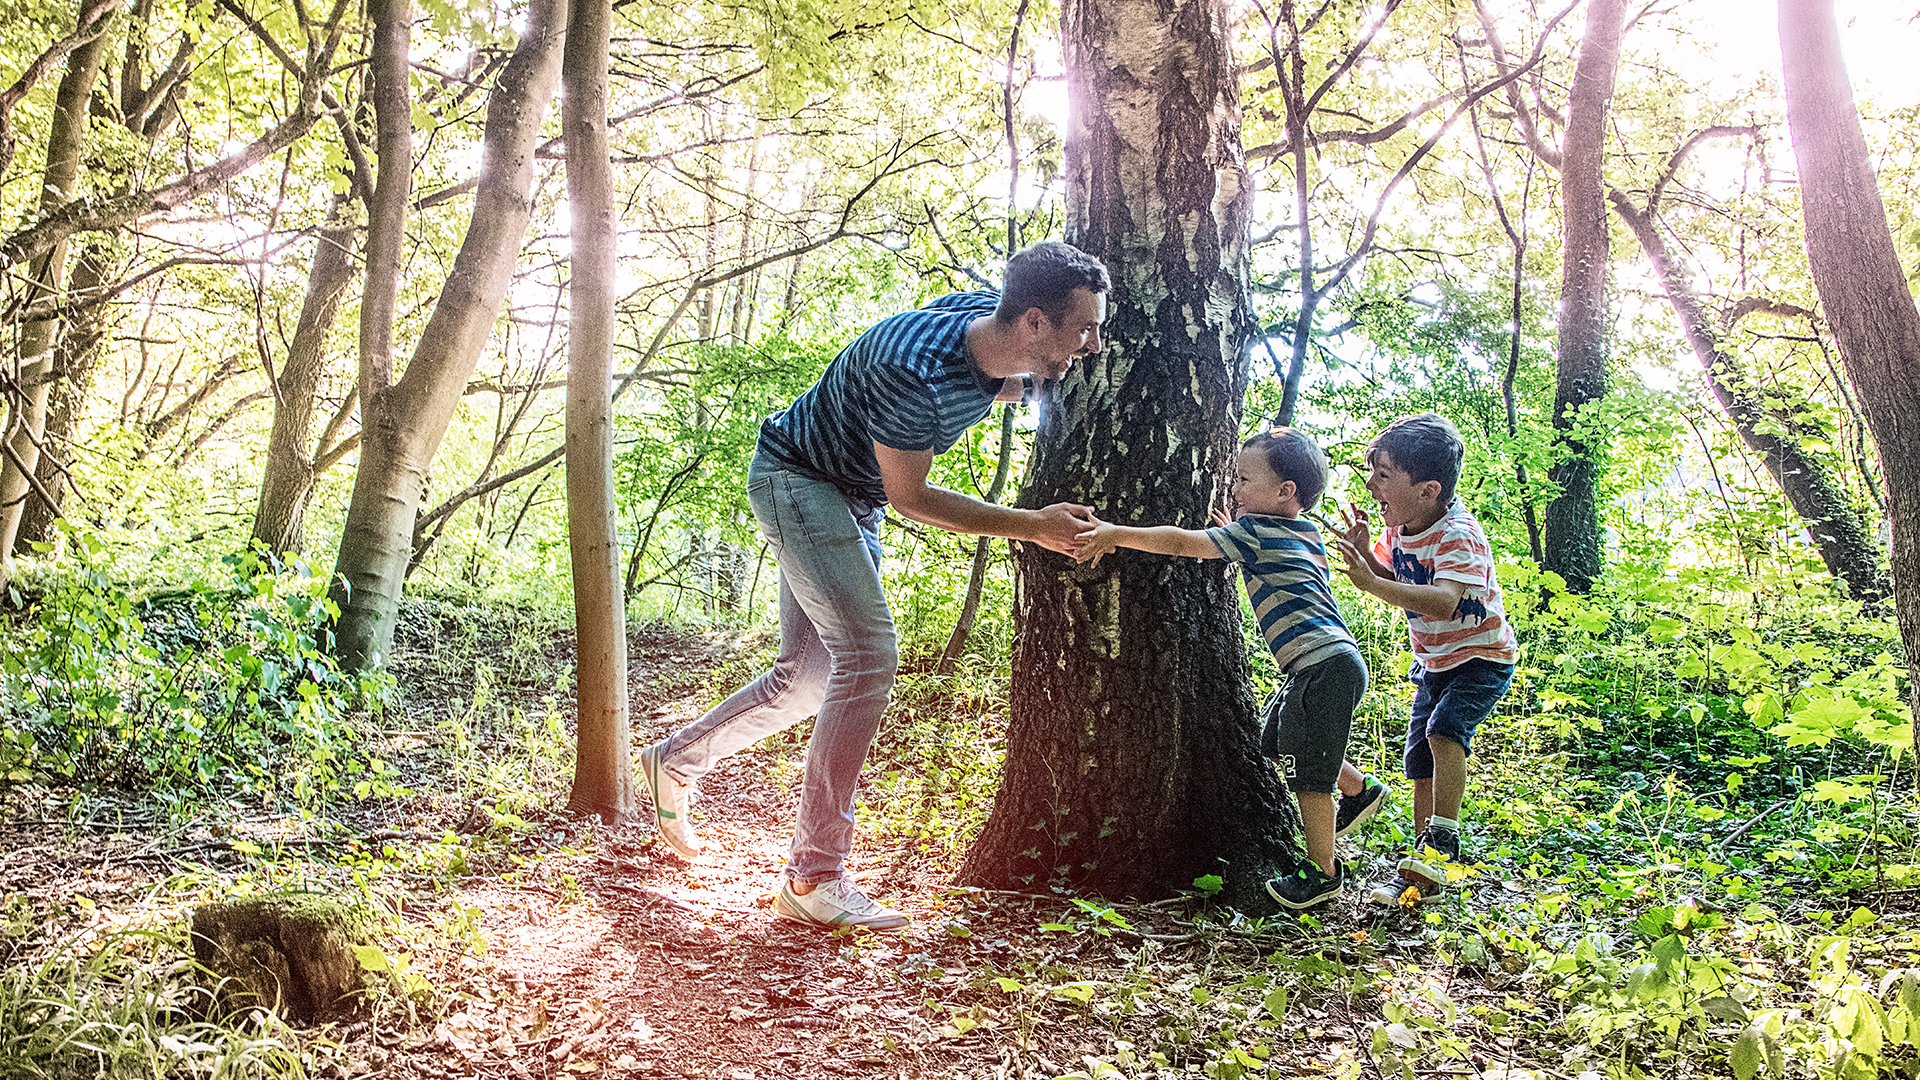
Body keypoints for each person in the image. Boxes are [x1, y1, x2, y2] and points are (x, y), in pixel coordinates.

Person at [636, 242, 1111, 931]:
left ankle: (675, 761)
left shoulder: (987, 327)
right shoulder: (911, 373)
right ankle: (814, 876)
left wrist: (1036, 383)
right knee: (870, 656)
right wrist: (1033, 525)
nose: (1093, 345)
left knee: (807, 677)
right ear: (1034, 322)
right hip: (801, 482)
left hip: (848, 497)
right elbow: (913, 497)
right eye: (1084, 330)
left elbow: (991, 384)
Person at [1073, 427, 1389, 909]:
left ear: (1286, 492)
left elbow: (1182, 544)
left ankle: (1323, 873)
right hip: (1334, 661)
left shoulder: (1256, 533)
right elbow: (1262, 555)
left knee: (1310, 778)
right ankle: (1360, 790)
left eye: (1243, 480)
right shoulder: (1305, 533)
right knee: (1275, 738)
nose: (1234, 489)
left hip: (1320, 665)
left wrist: (1116, 534)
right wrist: (1233, 528)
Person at [1329, 412, 1518, 902]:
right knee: (1419, 760)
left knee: (1443, 731)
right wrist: (1365, 556)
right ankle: (1422, 871)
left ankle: (1445, 840)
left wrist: (1371, 583)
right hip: (1434, 660)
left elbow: (1446, 597)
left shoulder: (1459, 533)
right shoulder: (1402, 526)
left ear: (1429, 489)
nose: (1371, 485)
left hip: (1481, 656)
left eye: (1384, 474)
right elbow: (1398, 575)